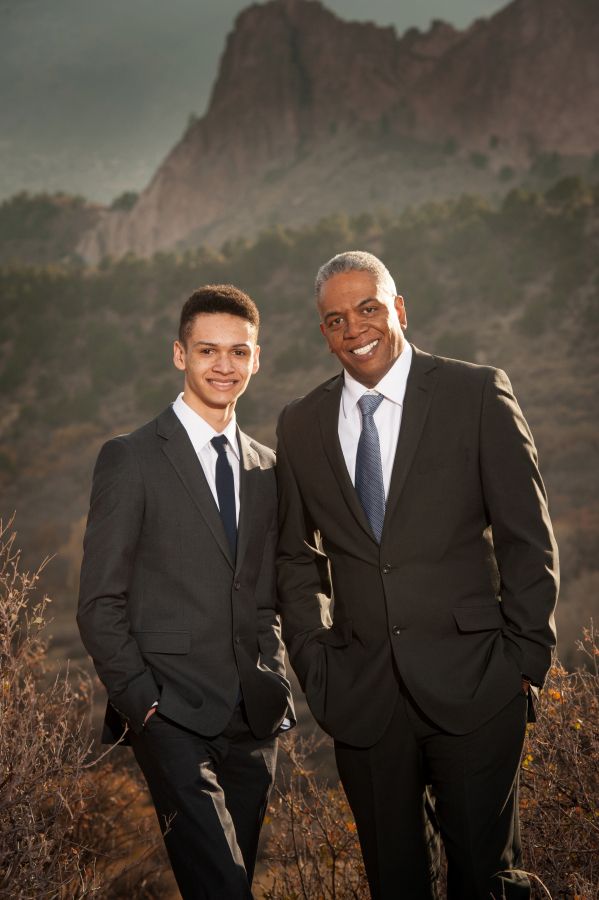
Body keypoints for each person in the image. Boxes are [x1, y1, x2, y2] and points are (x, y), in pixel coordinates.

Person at [275, 251, 558, 900]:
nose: (354, 329)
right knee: (392, 885)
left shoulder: (476, 392)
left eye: (368, 309)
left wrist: (524, 661)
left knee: (488, 881)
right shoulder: (300, 424)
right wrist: (314, 660)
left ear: (398, 309)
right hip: (363, 696)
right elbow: (295, 556)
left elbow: (526, 537)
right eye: (335, 320)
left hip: (478, 683)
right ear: (323, 332)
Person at [78, 284, 294, 900]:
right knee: (224, 885)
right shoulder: (131, 458)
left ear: (257, 359)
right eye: (208, 350)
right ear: (180, 355)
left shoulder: (267, 467)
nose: (224, 365)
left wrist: (274, 677)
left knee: (228, 881)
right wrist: (141, 702)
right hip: (168, 710)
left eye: (239, 352)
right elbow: (99, 601)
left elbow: (266, 595)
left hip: (253, 714)